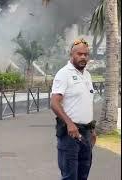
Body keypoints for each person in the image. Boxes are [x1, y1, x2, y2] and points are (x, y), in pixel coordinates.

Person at [50, 38, 96, 180]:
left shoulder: (87, 75)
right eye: (79, 54)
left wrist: (92, 130)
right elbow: (54, 102)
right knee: (70, 176)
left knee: (83, 174)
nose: (83, 57)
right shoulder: (64, 74)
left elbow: (86, 102)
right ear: (72, 55)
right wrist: (70, 124)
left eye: (86, 54)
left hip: (86, 134)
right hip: (70, 134)